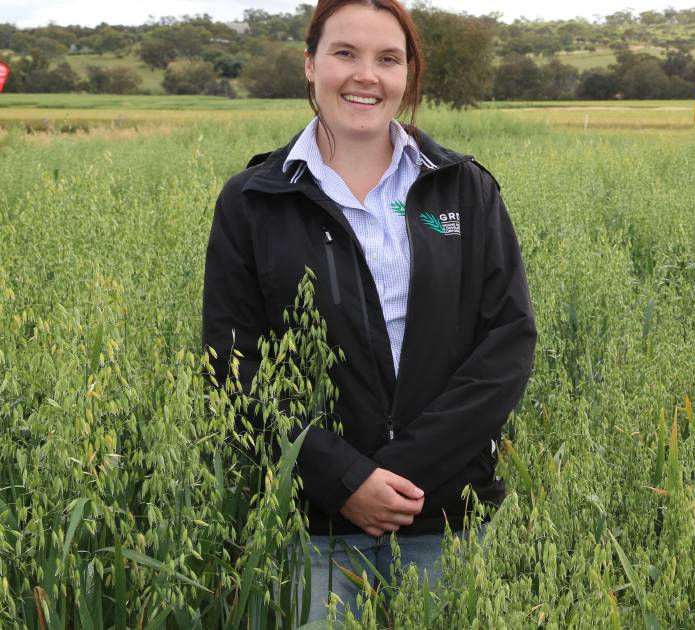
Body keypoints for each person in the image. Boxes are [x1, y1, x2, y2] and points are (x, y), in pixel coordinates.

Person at [201, 0, 536, 621]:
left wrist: (395, 476)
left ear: (408, 74)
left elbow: (508, 343)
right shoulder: (253, 200)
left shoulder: (462, 188)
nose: (366, 75)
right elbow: (231, 366)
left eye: (388, 58)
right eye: (344, 54)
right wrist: (342, 481)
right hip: (314, 527)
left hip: (446, 518)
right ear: (310, 65)